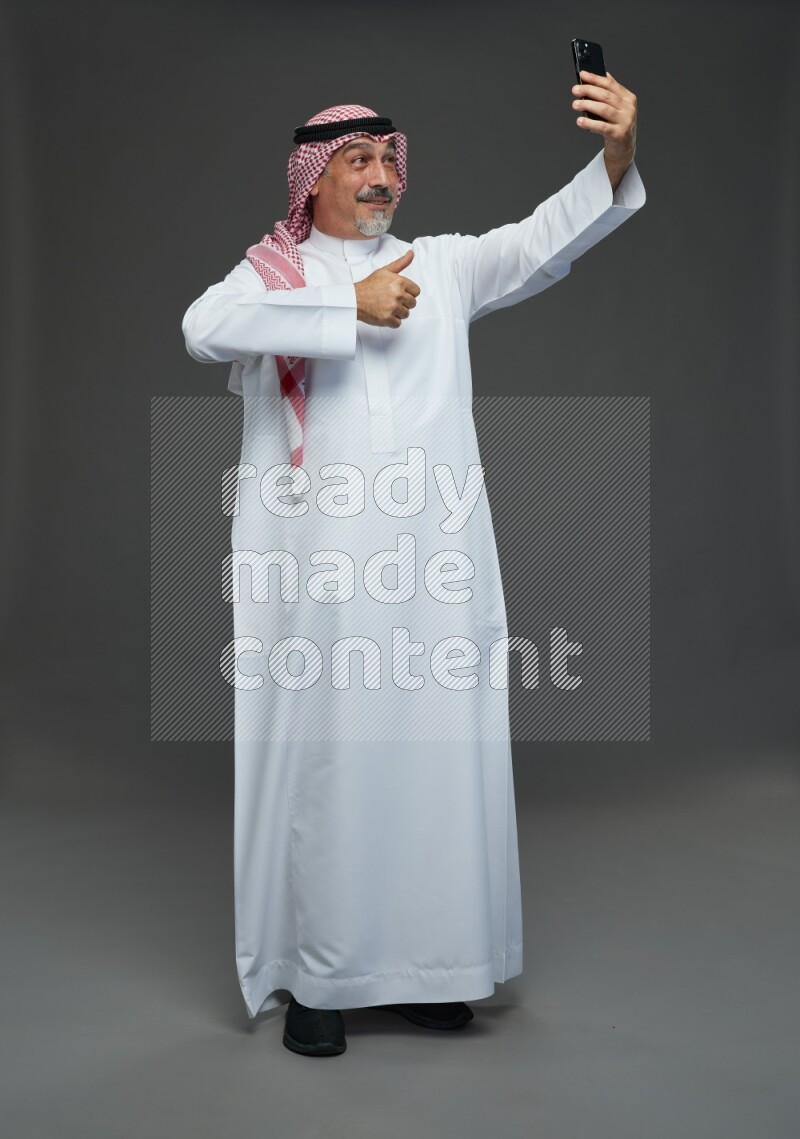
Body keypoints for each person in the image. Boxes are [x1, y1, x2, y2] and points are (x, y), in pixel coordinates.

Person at [181, 81, 644, 1058]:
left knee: (435, 765)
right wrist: (340, 303)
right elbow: (202, 326)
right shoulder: (273, 272)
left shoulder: (439, 266)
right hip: (324, 585)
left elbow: (541, 238)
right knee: (333, 767)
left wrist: (614, 155)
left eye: (388, 159)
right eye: (358, 161)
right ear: (311, 180)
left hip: (434, 575)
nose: (382, 176)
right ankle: (319, 976)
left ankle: (433, 967)